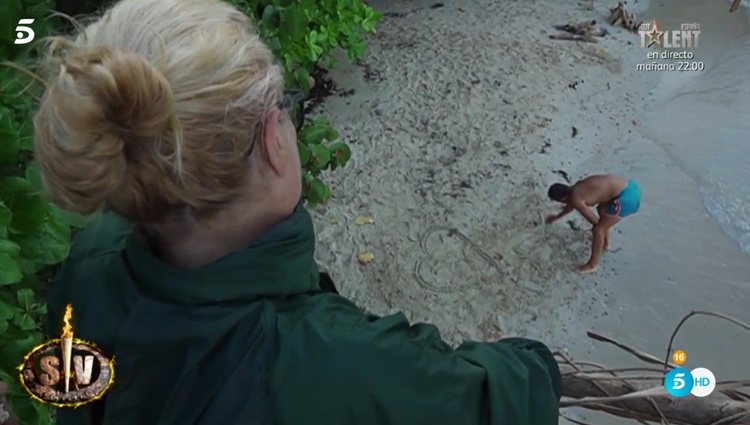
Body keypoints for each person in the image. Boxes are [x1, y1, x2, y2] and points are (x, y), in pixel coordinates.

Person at [33, 0, 561, 424]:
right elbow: (514, 393)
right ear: (271, 141)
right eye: (285, 107)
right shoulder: (338, 362)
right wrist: (532, 360)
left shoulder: (91, 262)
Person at [545, 174, 641, 274]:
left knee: (598, 229)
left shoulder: (575, 198)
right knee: (602, 210)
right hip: (631, 188)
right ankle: (605, 245)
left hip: (627, 200)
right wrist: (557, 217)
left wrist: (600, 231)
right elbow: (571, 205)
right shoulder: (576, 187)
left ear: (562, 199)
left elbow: (595, 222)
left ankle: (592, 265)